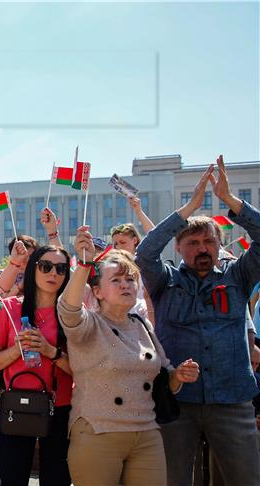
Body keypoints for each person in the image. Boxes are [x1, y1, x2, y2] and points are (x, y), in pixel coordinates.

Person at [134, 157, 260, 486]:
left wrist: (231, 201)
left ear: (220, 245)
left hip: (232, 401)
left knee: (245, 479)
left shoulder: (239, 276)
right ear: (178, 247)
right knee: (171, 480)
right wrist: (188, 208)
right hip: (178, 402)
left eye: (209, 241)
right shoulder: (165, 281)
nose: (202, 248)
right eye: (192, 242)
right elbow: (145, 253)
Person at [60, 229, 200, 485]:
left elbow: (165, 375)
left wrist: (177, 375)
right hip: (98, 431)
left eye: (130, 279)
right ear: (98, 292)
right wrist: (84, 264)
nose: (125, 284)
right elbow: (68, 310)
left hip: (147, 433)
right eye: (116, 280)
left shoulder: (142, 325)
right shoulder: (88, 324)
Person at [0, 245, 74, 486]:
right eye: (45, 266)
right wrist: (16, 350)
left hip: (61, 408)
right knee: (13, 478)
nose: (53, 273)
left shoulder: (73, 313)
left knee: (57, 479)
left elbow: (84, 372)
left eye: (61, 268)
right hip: (17, 404)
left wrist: (50, 352)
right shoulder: (9, 308)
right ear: (33, 269)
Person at [110, 223, 153, 323]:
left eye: (122, 242)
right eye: (115, 244)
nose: (118, 246)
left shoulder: (145, 262)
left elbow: (155, 235)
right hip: (120, 318)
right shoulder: (111, 267)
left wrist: (138, 211)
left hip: (145, 317)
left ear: (134, 240)